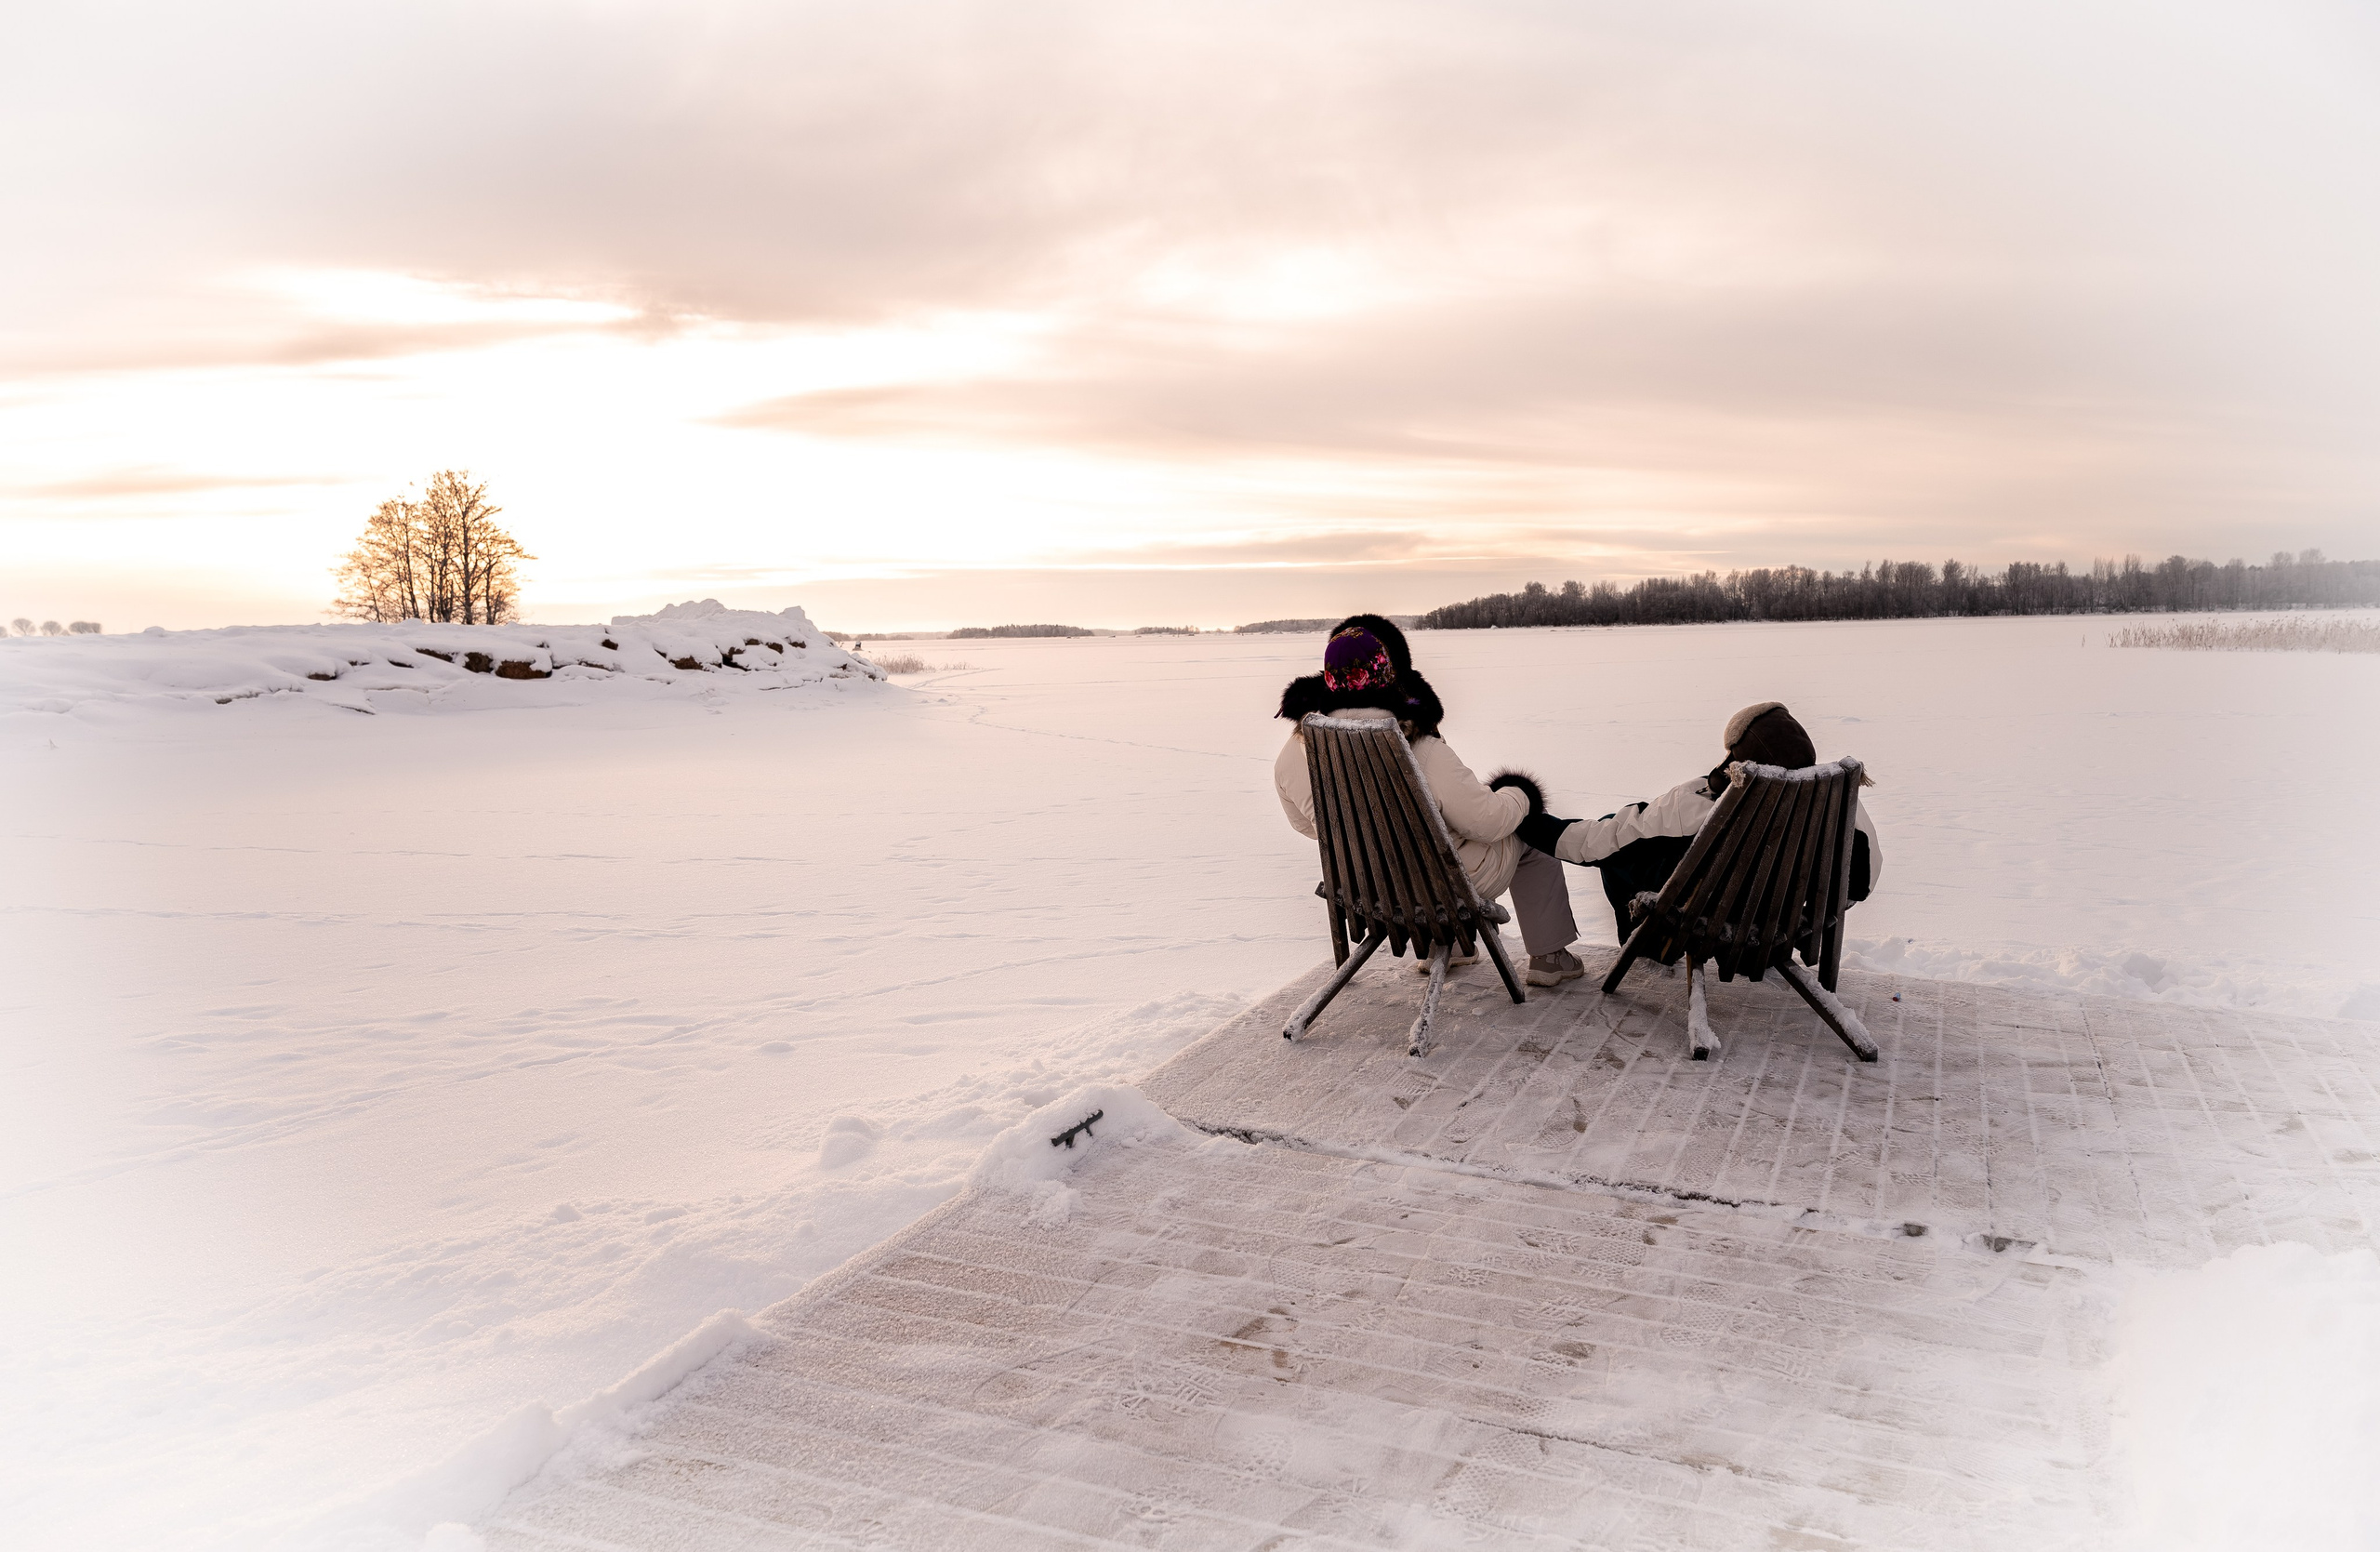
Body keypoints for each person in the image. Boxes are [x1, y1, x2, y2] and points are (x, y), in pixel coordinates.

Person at [1274, 617, 1585, 986]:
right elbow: (1488, 823)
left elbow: (1307, 826)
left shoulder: (1296, 749)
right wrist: (1519, 794)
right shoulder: (1416, 745)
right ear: (1387, 673)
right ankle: (1549, 957)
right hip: (1442, 890)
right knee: (1529, 837)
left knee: (1440, 839)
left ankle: (1451, 948)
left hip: (1366, 886)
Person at [1515, 700, 1883, 948]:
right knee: (1642, 849)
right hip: (1782, 930)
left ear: (1735, 763)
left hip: (1710, 925)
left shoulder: (1707, 806)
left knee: (1620, 855)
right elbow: (1862, 881)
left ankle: (1646, 946)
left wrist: (1525, 819)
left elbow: (1597, 841)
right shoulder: (1837, 802)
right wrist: (1792, 915)